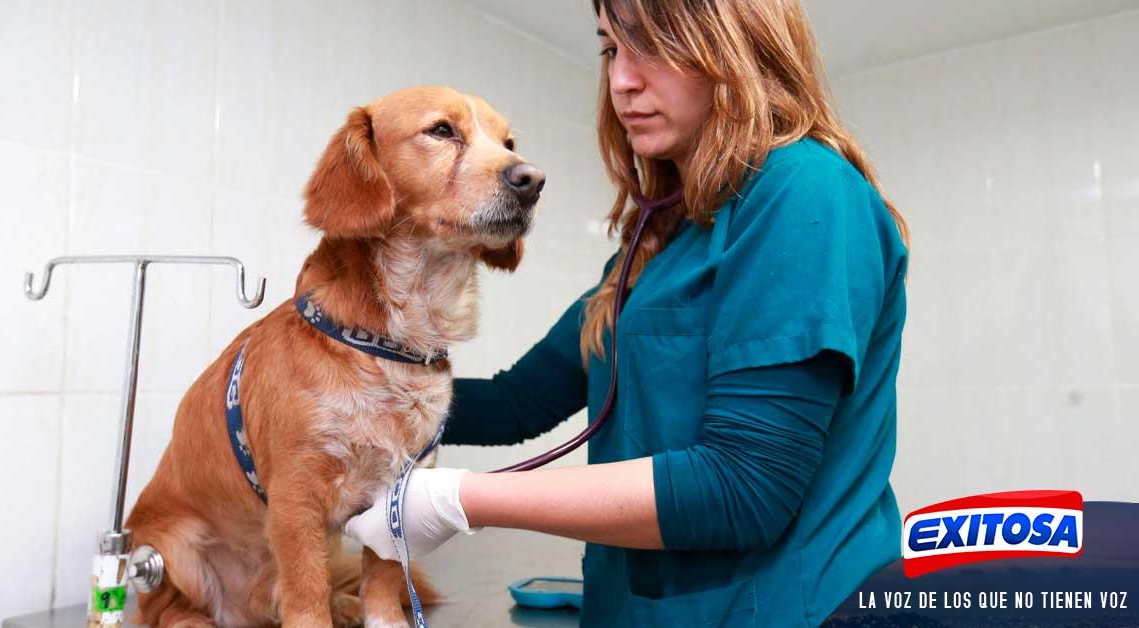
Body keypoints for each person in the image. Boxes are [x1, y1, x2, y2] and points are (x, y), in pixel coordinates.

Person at [345, 0, 911, 625]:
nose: (621, 81)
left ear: (736, 46)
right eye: (611, 49)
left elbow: (746, 485)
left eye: (652, 45)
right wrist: (347, 402)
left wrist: (459, 499)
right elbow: (519, 402)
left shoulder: (804, 190)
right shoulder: (656, 243)